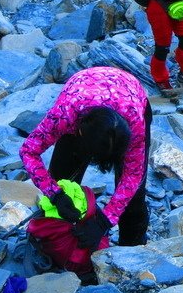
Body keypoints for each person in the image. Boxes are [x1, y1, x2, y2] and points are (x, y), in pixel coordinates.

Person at [18, 67, 151, 248]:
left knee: (134, 198)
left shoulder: (134, 124)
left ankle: (132, 250)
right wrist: (55, 194)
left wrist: (105, 220)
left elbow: (132, 176)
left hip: (130, 93)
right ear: (79, 134)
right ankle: (57, 243)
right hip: (80, 95)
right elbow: (28, 151)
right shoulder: (64, 116)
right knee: (63, 182)